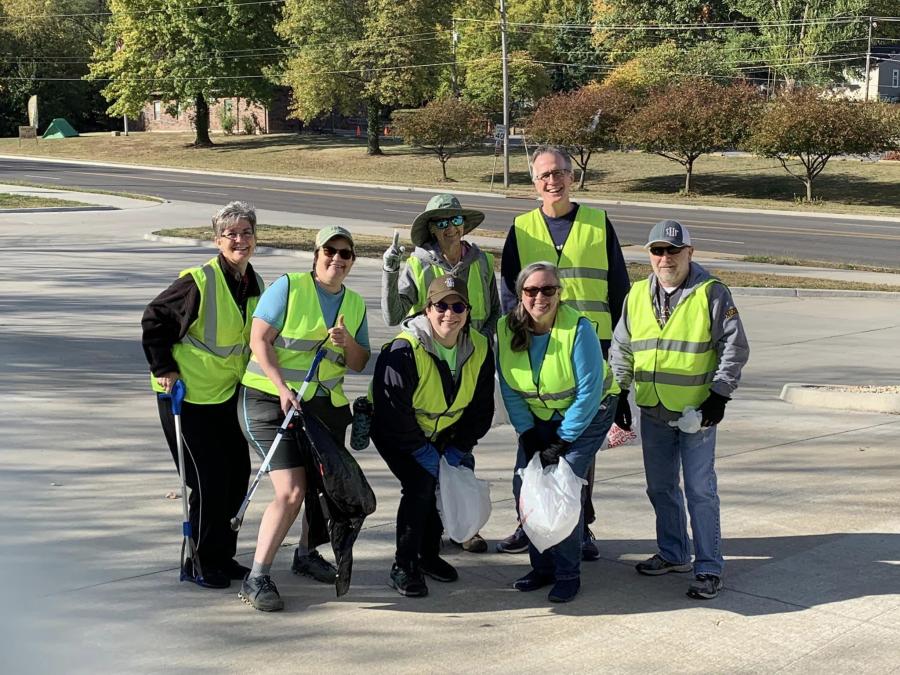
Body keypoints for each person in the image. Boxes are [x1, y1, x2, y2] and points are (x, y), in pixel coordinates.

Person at [497, 145, 631, 558]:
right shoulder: (521, 228)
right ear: (533, 182)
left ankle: (579, 525)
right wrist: (517, 341)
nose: (551, 181)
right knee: (535, 441)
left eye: (558, 173)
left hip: (590, 347)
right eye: (543, 176)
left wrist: (622, 365)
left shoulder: (597, 223)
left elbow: (620, 290)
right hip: (536, 348)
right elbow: (508, 293)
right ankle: (530, 520)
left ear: (572, 177)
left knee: (580, 448)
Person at [610, 220, 749, 600]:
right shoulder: (637, 294)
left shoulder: (711, 292)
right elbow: (621, 347)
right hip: (653, 408)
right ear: (649, 255)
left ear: (690, 252)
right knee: (660, 487)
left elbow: (734, 347)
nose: (665, 258)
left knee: (700, 491)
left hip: (696, 413)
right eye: (658, 251)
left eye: (673, 250)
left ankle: (708, 566)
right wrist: (619, 393)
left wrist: (719, 395)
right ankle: (673, 552)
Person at [236, 226, 370, 611]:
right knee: (292, 490)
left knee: (323, 486)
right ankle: (257, 576)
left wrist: (348, 344)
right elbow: (259, 339)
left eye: (346, 254)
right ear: (316, 254)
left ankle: (306, 554)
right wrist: (280, 387)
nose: (337, 259)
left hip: (323, 406)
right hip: (267, 399)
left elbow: (360, 363)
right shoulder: (289, 287)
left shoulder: (355, 304)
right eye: (330, 251)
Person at [142, 201, 264, 589]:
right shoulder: (199, 281)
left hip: (224, 395)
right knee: (208, 478)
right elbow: (154, 317)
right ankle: (198, 561)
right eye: (231, 234)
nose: (239, 240)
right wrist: (163, 368)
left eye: (246, 232)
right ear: (217, 240)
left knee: (236, 475)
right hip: (186, 396)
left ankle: (222, 556)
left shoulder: (253, 283)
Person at [381, 192, 500, 554]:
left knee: (462, 448)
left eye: (455, 220)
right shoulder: (418, 263)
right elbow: (392, 314)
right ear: (431, 228)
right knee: (427, 454)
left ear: (464, 224)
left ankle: (465, 525)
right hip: (431, 362)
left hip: (469, 360)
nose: (450, 228)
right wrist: (389, 271)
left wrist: (478, 346)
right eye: (441, 222)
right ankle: (432, 526)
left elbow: (493, 310)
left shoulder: (480, 261)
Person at [371, 275, 495, 598]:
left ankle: (428, 555)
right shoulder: (404, 350)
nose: (449, 314)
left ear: (467, 312)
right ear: (427, 309)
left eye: (457, 306)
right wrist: (424, 453)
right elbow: (392, 412)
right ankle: (404, 564)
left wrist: (456, 449)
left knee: (448, 481)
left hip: (445, 432)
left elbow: (482, 410)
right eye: (441, 305)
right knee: (421, 484)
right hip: (398, 432)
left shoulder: (480, 348)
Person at [497, 262, 611, 603]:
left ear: (559, 293)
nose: (540, 297)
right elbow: (509, 386)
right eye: (531, 290)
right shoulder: (506, 328)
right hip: (539, 417)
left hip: (589, 415)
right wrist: (527, 433)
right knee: (526, 484)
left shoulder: (578, 328)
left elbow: (590, 392)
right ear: (521, 295)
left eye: (549, 289)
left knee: (563, 484)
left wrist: (563, 440)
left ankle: (567, 573)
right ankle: (541, 566)